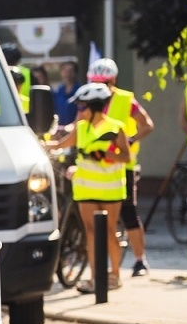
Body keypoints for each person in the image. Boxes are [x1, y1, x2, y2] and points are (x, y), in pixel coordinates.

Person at [47, 82, 131, 292]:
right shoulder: (81, 127)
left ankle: (115, 276)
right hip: (85, 189)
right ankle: (96, 278)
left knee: (110, 232)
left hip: (110, 189)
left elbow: (126, 156)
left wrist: (105, 155)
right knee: (91, 234)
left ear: (94, 107)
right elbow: (60, 145)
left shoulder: (115, 127)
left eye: (82, 107)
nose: (79, 111)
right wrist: (41, 144)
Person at [92, 57, 155, 277]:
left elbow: (147, 125)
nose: (101, 87)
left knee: (128, 212)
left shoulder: (125, 100)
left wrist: (130, 140)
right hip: (95, 165)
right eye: (96, 82)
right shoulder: (89, 99)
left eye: (105, 82)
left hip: (121, 166)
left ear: (114, 80)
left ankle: (140, 260)